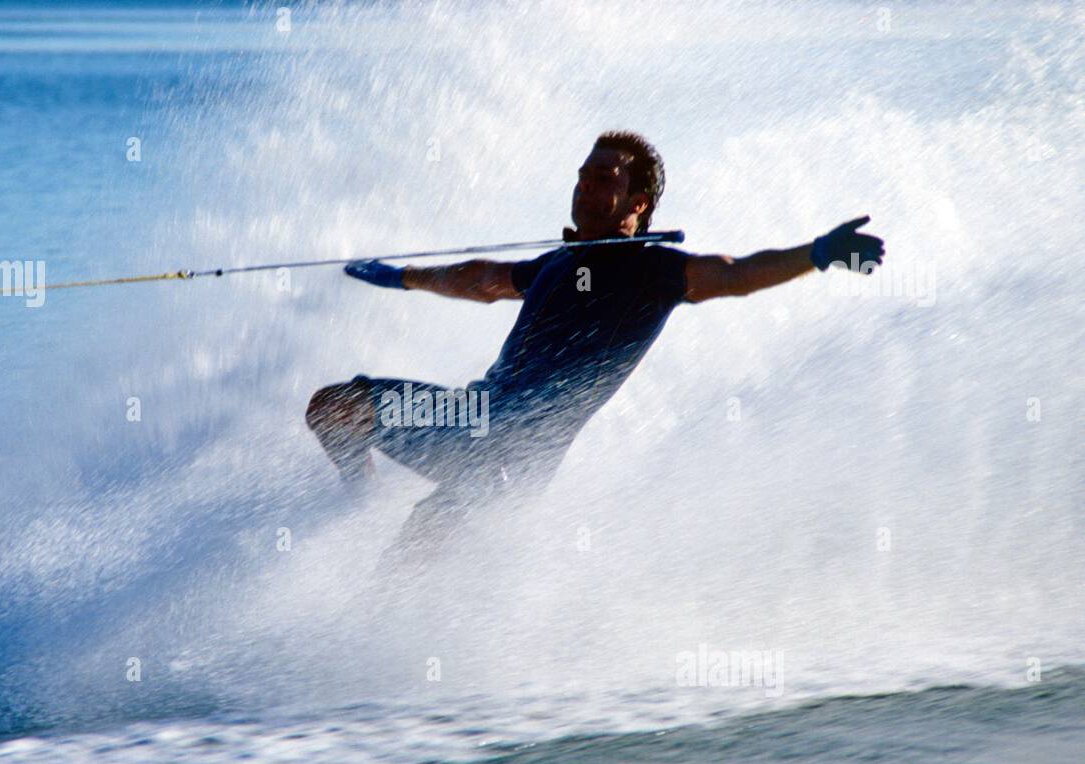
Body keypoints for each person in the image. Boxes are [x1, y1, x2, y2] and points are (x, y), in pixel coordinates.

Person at [306, 130, 885, 556]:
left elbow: (734, 273)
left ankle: (364, 513)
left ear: (639, 204)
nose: (586, 185)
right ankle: (361, 502)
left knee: (350, 423)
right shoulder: (559, 263)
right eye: (583, 174)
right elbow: (480, 279)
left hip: (509, 453)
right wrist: (404, 276)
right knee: (340, 427)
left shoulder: (651, 271)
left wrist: (816, 254)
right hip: (478, 429)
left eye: (605, 178)